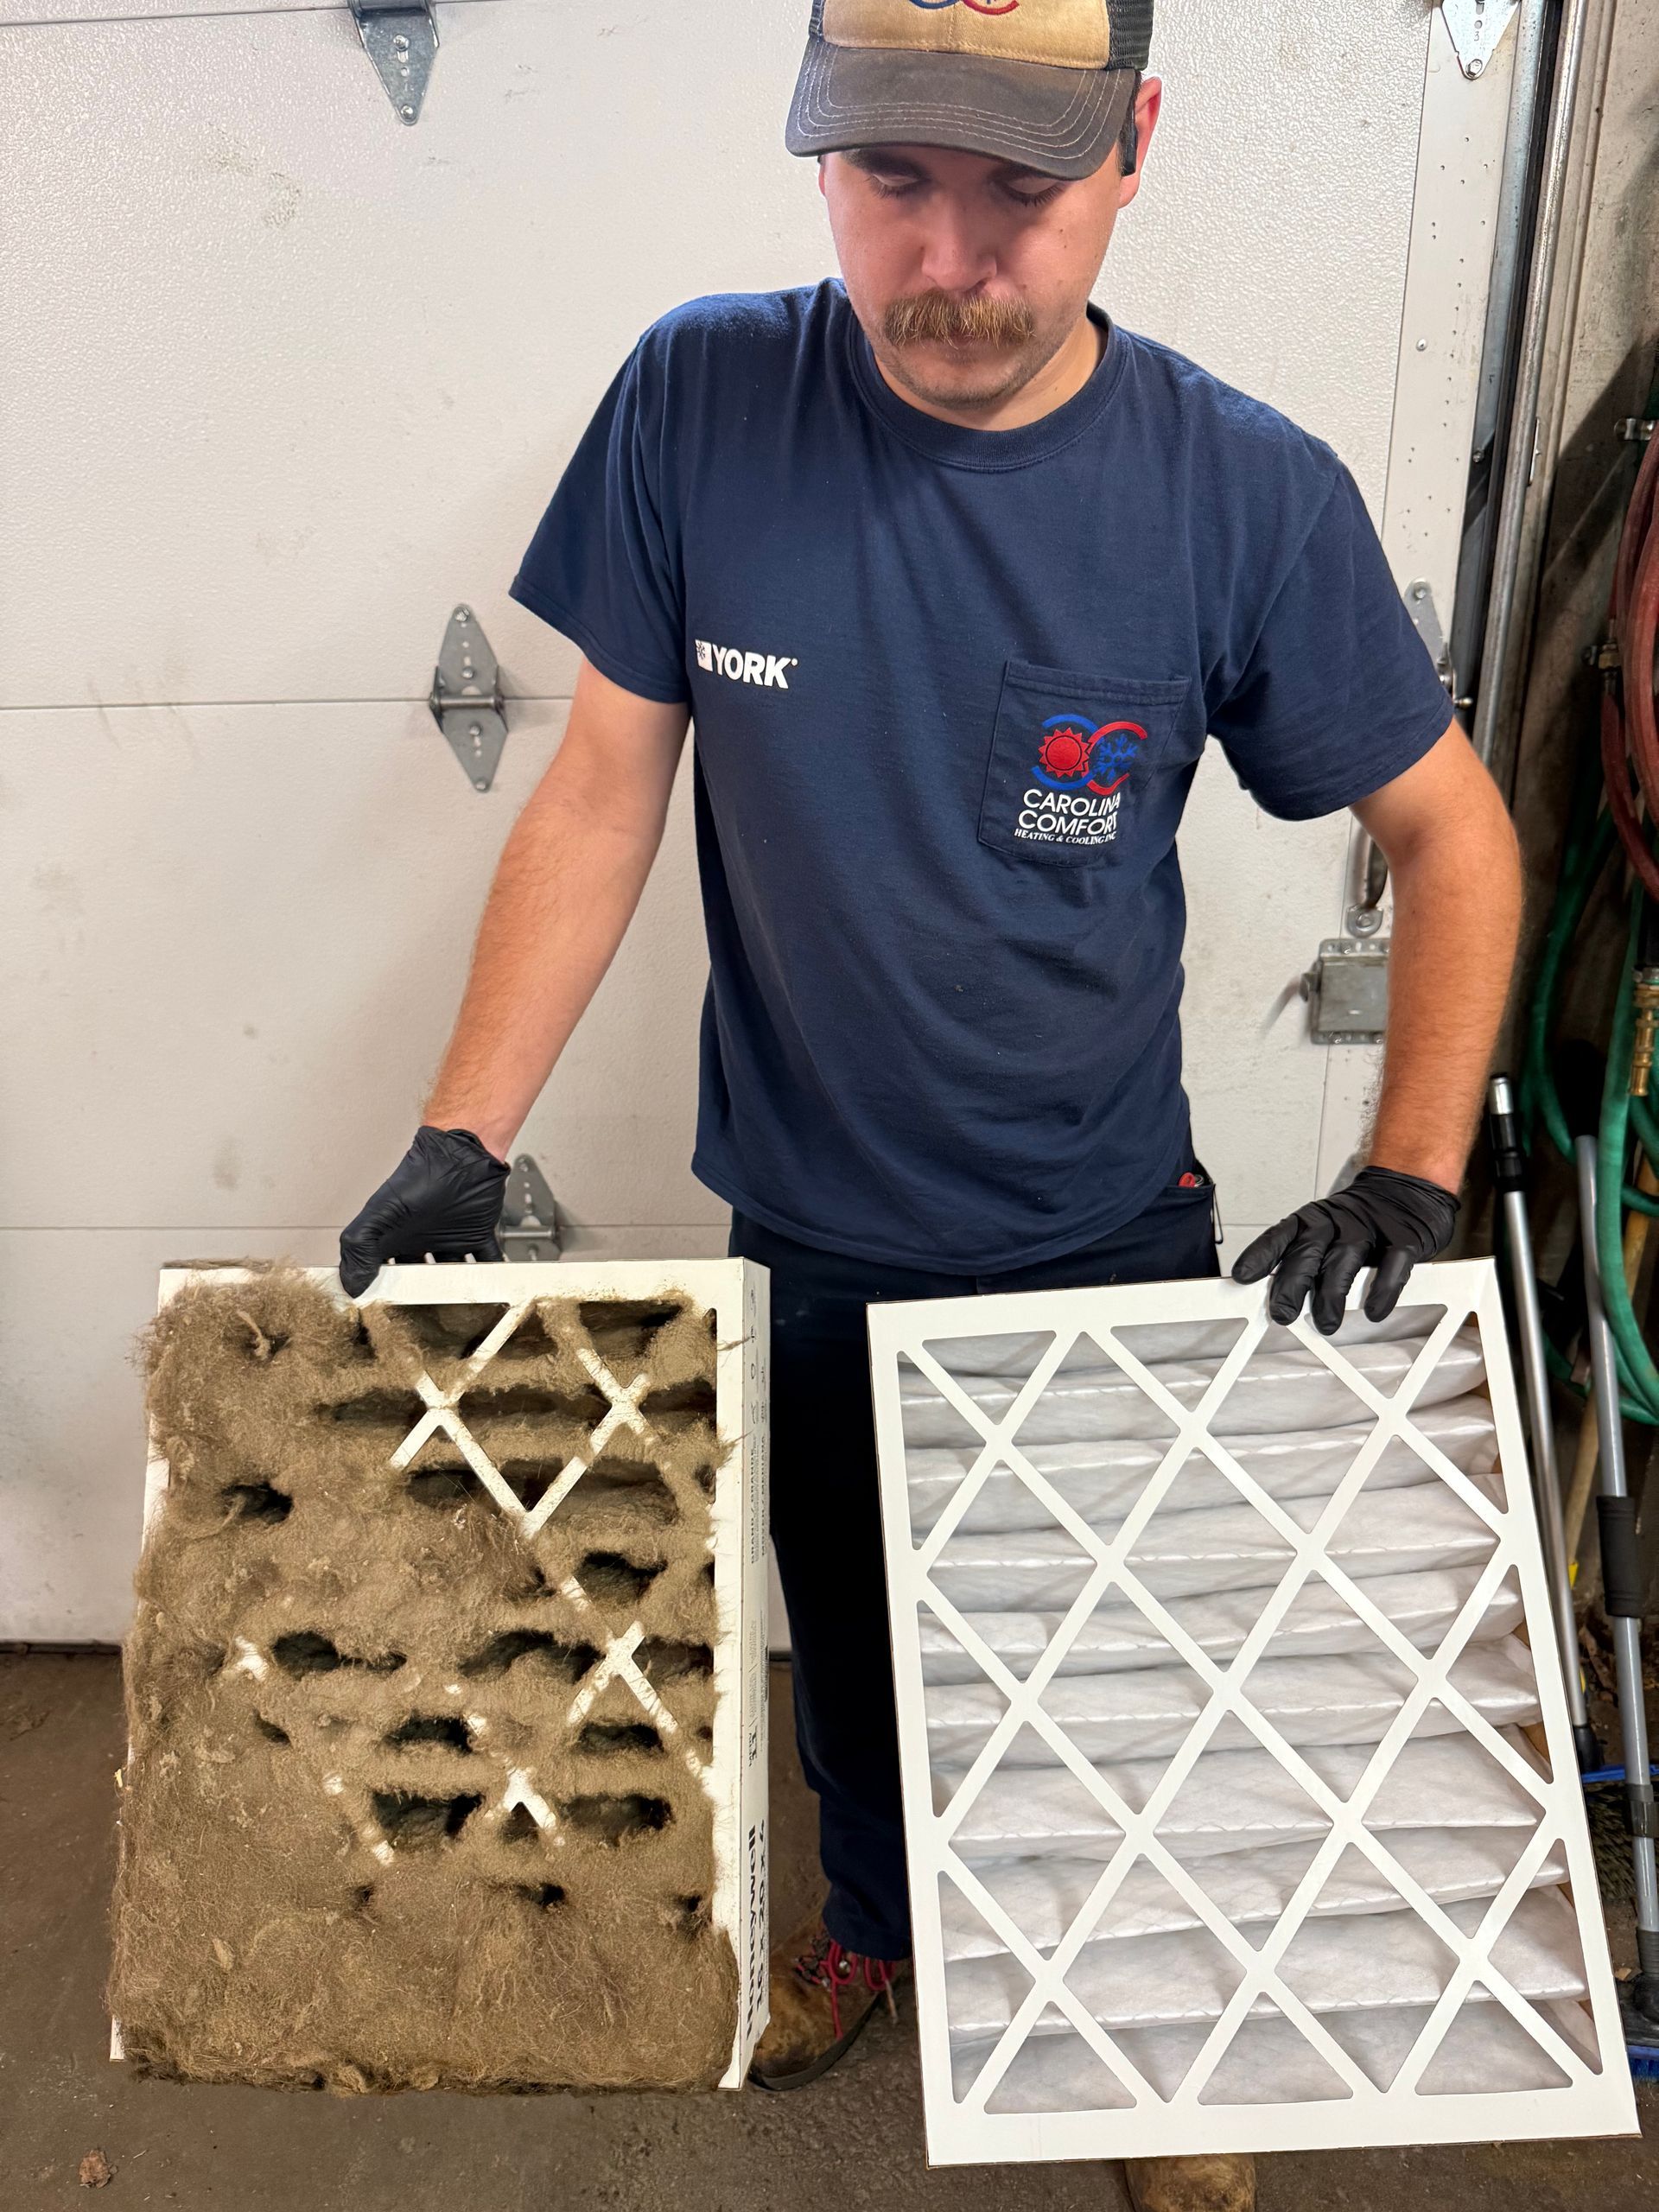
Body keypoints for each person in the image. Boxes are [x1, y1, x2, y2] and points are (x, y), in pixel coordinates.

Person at [338, 3, 1523, 2203]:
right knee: (860, 1666)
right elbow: (603, 785)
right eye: (896, 179)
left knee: (1109, 1683)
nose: (953, 257)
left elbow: (1452, 833)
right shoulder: (702, 399)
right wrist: (461, 1130)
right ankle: (876, 1933)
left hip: (1100, 1228)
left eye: (1022, 189)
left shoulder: (1239, 491)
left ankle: (1145, 2033)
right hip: (807, 1231)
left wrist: (1415, 1169)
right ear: (817, 149)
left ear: (1135, 146)